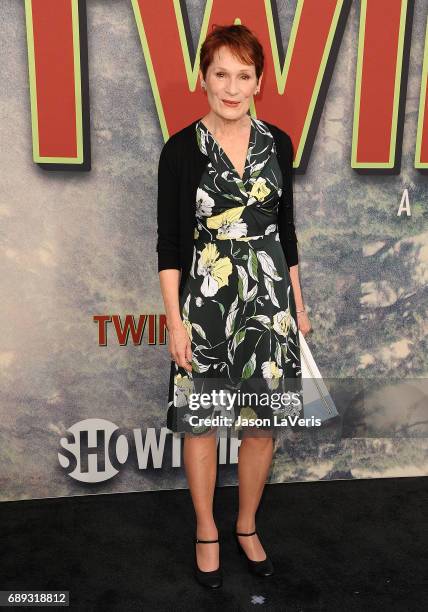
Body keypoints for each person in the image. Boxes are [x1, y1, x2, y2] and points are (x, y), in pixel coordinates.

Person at [156, 24, 312, 588]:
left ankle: (246, 525)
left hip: (268, 302)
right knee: (202, 425)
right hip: (205, 304)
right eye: (220, 73)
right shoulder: (179, 150)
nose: (231, 86)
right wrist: (175, 324)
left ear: (258, 82)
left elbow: (286, 231)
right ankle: (206, 528)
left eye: (243, 75)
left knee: (261, 426)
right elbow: (170, 246)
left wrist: (296, 303)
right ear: (204, 77)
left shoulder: (279, 143)